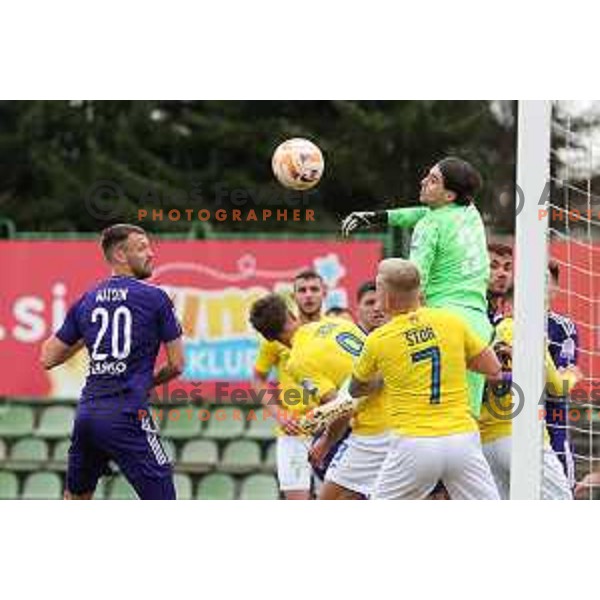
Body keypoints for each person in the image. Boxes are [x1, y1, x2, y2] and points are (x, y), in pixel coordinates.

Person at [40, 224, 184, 500]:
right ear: (119, 254)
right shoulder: (156, 298)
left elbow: (48, 357)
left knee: (77, 497)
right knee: (164, 500)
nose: (151, 253)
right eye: (141, 248)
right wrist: (146, 382)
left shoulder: (87, 300)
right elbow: (177, 365)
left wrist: (86, 333)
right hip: (128, 414)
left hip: (88, 415)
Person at [342, 157, 491, 419]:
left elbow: (411, 283)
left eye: (433, 180)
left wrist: (388, 316)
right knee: (466, 420)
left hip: (442, 324)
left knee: (426, 417)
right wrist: (377, 217)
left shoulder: (429, 225)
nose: (423, 181)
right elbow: (419, 212)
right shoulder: (469, 211)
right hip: (477, 325)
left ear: (448, 195)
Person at [347, 258, 502, 500]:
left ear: (384, 296)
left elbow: (356, 389)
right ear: (419, 292)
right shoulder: (450, 321)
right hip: (461, 439)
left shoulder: (378, 340)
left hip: (414, 443)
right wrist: (450, 356)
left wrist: (390, 374)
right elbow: (492, 367)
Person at [249, 292, 388, 500]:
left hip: (373, 429)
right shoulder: (339, 323)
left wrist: (325, 443)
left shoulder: (297, 362)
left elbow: (341, 408)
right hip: (404, 416)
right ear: (291, 314)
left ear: (268, 337)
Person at [251, 269, 324, 500]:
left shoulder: (333, 329)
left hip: (332, 429)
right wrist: (279, 414)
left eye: (314, 289)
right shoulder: (276, 336)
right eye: (302, 290)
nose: (308, 295)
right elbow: (257, 380)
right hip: (293, 431)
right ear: (293, 297)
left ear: (325, 293)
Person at [546, 259, 579, 482]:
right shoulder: (504, 323)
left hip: (552, 423)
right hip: (505, 423)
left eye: (546, 280)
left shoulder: (563, 328)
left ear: (556, 288)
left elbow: (558, 387)